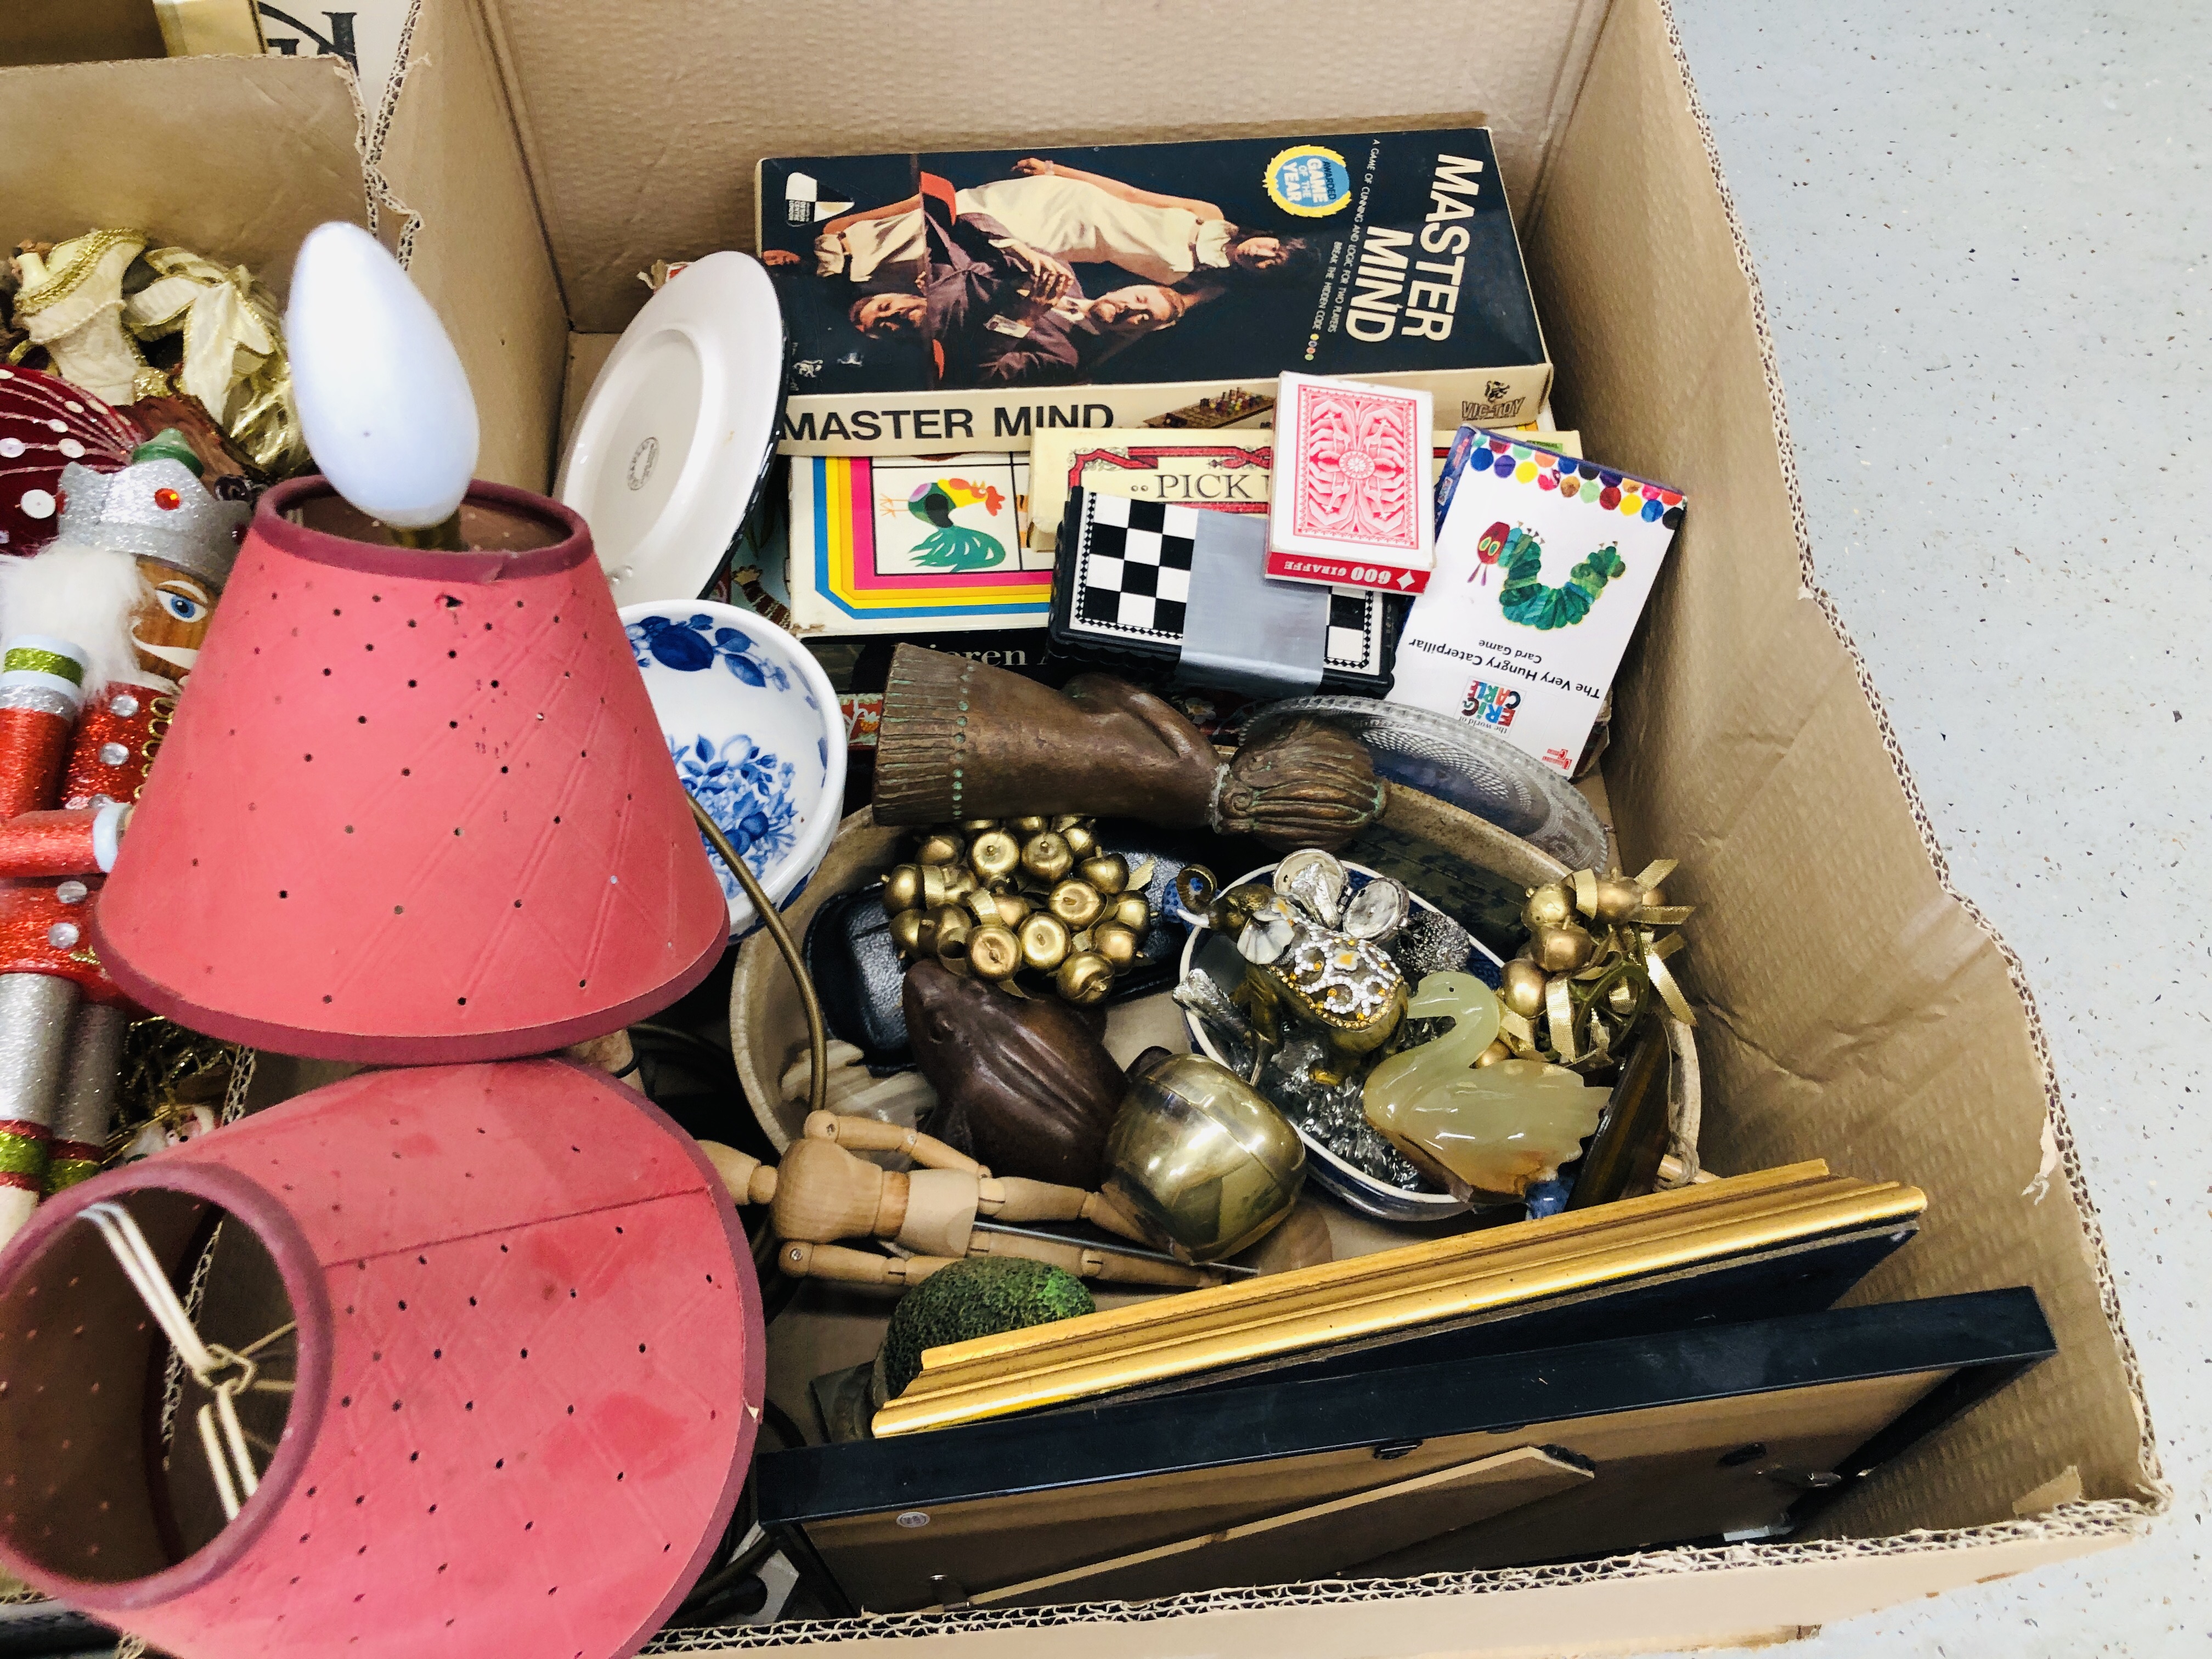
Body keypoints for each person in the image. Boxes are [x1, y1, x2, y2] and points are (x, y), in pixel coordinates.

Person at [775, 158, 1319, 290]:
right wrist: (1057, 171)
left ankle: (833, 272)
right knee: (956, 212)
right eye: (1275, 248)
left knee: (951, 251)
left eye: (1273, 265)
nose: (1265, 256)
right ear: (1271, 235)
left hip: (1066, 242)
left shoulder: (1202, 283)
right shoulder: (1213, 218)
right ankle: (838, 238)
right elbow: (1131, 195)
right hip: (1064, 200)